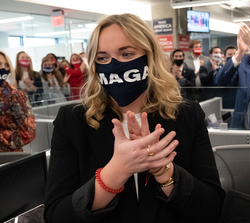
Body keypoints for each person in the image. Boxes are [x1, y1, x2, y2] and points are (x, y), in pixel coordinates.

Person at [44, 13, 225, 223]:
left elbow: (212, 210)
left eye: (127, 54)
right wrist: (115, 172)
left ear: (150, 57)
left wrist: (164, 170)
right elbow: (56, 215)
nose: (113, 65)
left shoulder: (187, 115)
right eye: (102, 58)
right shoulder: (73, 121)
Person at [0, 51, 36, 152]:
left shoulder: (16, 95)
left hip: (10, 157)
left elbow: (29, 132)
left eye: (6, 65)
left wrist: (3, 138)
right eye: (0, 64)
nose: (3, 68)